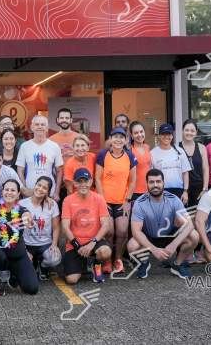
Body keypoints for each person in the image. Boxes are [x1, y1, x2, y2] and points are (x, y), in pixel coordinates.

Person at [128, 169, 199, 279]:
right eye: (151, 182)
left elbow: (189, 224)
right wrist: (154, 250)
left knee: (194, 236)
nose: (155, 185)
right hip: (149, 236)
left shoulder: (174, 199)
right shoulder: (139, 203)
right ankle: (144, 263)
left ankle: (177, 264)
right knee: (132, 245)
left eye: (158, 181)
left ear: (163, 183)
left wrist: (173, 245)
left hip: (169, 236)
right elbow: (136, 231)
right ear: (147, 184)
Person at [95, 127, 137, 274]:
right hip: (105, 201)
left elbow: (133, 181)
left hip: (122, 201)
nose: (118, 140)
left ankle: (118, 259)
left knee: (122, 231)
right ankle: (107, 260)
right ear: (110, 139)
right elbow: (97, 179)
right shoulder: (103, 154)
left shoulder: (130, 156)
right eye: (115, 137)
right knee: (109, 231)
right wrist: (102, 201)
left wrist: (127, 200)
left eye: (121, 137)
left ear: (125, 140)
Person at [0, 180, 39, 296]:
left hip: (17, 254)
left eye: (13, 190)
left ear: (18, 194)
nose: (9, 192)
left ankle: (14, 275)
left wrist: (28, 220)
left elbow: (27, 216)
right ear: (2, 192)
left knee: (32, 288)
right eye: (7, 189)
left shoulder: (22, 210)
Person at [61, 168, 113, 284]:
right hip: (75, 243)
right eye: (79, 181)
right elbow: (65, 227)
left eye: (86, 181)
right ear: (74, 183)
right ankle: (83, 264)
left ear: (91, 181)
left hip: (94, 241)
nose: (83, 184)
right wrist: (77, 246)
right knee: (71, 280)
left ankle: (96, 265)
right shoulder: (68, 200)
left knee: (105, 252)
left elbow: (106, 225)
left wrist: (92, 242)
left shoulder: (99, 199)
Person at [20, 176, 62, 281]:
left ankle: (43, 267)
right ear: (35, 185)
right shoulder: (22, 204)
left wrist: (54, 244)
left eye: (44, 188)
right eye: (39, 185)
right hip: (27, 243)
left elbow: (56, 228)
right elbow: (17, 229)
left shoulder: (52, 205)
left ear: (48, 192)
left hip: (45, 244)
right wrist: (22, 248)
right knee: (25, 266)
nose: (40, 189)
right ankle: (32, 263)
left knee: (55, 258)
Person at [16, 115, 64, 200]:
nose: (40, 127)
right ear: (32, 127)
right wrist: (25, 188)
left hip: (49, 193)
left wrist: (56, 192)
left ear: (47, 128)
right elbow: (20, 170)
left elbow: (59, 171)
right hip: (30, 192)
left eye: (42, 124)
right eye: (37, 124)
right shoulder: (24, 146)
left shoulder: (54, 146)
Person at [150, 123, 191, 203]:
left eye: (168, 134)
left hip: (179, 191)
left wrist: (185, 191)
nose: (166, 137)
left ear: (172, 136)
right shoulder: (152, 153)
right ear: (159, 136)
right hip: (160, 191)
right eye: (163, 134)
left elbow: (185, 173)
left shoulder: (180, 151)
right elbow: (151, 176)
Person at [178, 119, 209, 208]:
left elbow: (205, 169)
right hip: (183, 189)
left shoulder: (201, 148)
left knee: (199, 215)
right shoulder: (177, 148)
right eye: (187, 130)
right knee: (183, 215)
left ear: (196, 132)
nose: (189, 133)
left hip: (199, 189)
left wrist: (205, 189)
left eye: (192, 130)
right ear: (182, 131)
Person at [129, 121, 152, 201]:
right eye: (136, 133)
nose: (139, 135)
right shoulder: (129, 151)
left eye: (141, 131)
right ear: (131, 136)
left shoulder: (147, 147)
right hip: (134, 192)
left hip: (149, 190)